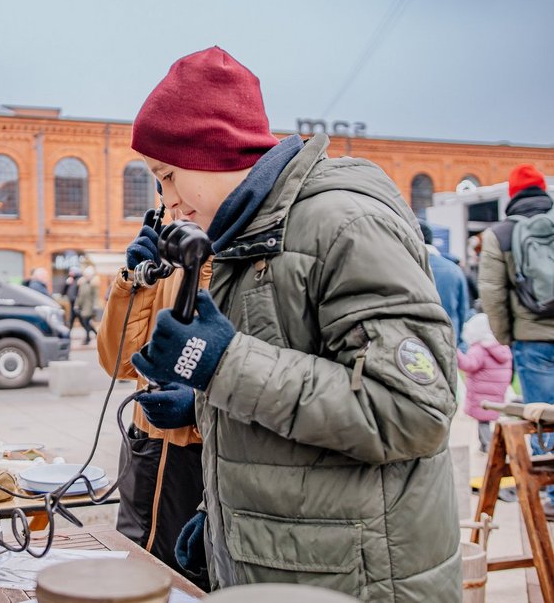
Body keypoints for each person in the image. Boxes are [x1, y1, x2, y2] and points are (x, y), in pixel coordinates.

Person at [127, 47, 460, 600]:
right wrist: (222, 514)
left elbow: (414, 411)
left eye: (167, 176)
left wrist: (220, 364)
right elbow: (297, 380)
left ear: (211, 153)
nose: (168, 204)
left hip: (358, 578)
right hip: (293, 562)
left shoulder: (344, 224)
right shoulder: (248, 237)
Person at [98, 202, 212, 590]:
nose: (174, 201)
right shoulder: (168, 267)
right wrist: (133, 281)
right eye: (162, 188)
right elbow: (119, 362)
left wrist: (199, 409)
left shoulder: (238, 267)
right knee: (134, 575)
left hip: (199, 465)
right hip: (144, 454)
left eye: (172, 177)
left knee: (187, 584)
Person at [479, 163, 554, 514]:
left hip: (532, 340)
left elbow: (493, 294)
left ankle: (552, 497)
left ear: (512, 194)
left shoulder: (500, 234)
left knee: (542, 417)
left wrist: (507, 338)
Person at [456, 313, 512, 453]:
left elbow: (469, 364)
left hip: (482, 394)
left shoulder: (480, 349)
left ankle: (489, 446)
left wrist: (455, 353)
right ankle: (485, 445)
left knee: (483, 421)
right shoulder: (501, 347)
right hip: (497, 392)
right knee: (486, 420)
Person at [420, 221, 470, 347]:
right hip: (449, 338)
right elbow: (463, 310)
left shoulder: (408, 267)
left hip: (416, 341)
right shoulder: (454, 269)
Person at [74, 265, 101, 345]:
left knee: (86, 322)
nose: (87, 277)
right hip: (83, 307)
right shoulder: (83, 283)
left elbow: (96, 296)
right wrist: (76, 305)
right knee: (86, 323)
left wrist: (95, 306)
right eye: (86, 275)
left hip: (90, 307)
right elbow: (80, 296)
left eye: (88, 275)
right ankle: (96, 334)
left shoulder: (94, 284)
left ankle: (87, 339)